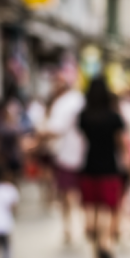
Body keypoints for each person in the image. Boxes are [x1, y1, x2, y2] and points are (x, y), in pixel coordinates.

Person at [78, 77, 126, 258]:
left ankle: (95, 255)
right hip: (109, 168)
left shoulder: (84, 117)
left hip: (89, 166)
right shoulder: (114, 117)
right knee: (109, 209)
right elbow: (120, 144)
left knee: (92, 209)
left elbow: (83, 139)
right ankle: (105, 245)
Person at [44, 69, 85, 243]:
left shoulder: (63, 103)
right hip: (81, 155)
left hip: (67, 156)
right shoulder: (79, 99)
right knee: (73, 194)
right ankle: (77, 226)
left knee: (67, 194)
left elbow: (55, 129)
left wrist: (36, 137)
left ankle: (69, 227)